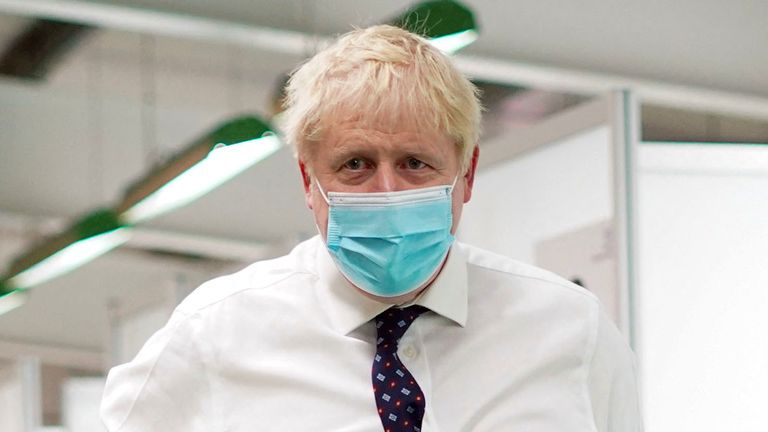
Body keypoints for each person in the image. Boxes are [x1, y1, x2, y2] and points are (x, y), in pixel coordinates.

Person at [100, 25, 642, 431]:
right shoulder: (214, 335)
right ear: (309, 182)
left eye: (415, 163)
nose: (387, 192)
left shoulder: (571, 333)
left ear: (468, 172)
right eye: (355, 165)